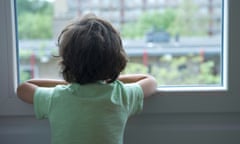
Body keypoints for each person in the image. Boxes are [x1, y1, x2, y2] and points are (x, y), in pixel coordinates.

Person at [17, 14, 157, 144]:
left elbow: (23, 88)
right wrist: (109, 77)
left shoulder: (57, 97)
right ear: (115, 60)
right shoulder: (120, 95)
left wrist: (73, 82)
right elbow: (150, 81)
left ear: (67, 61)